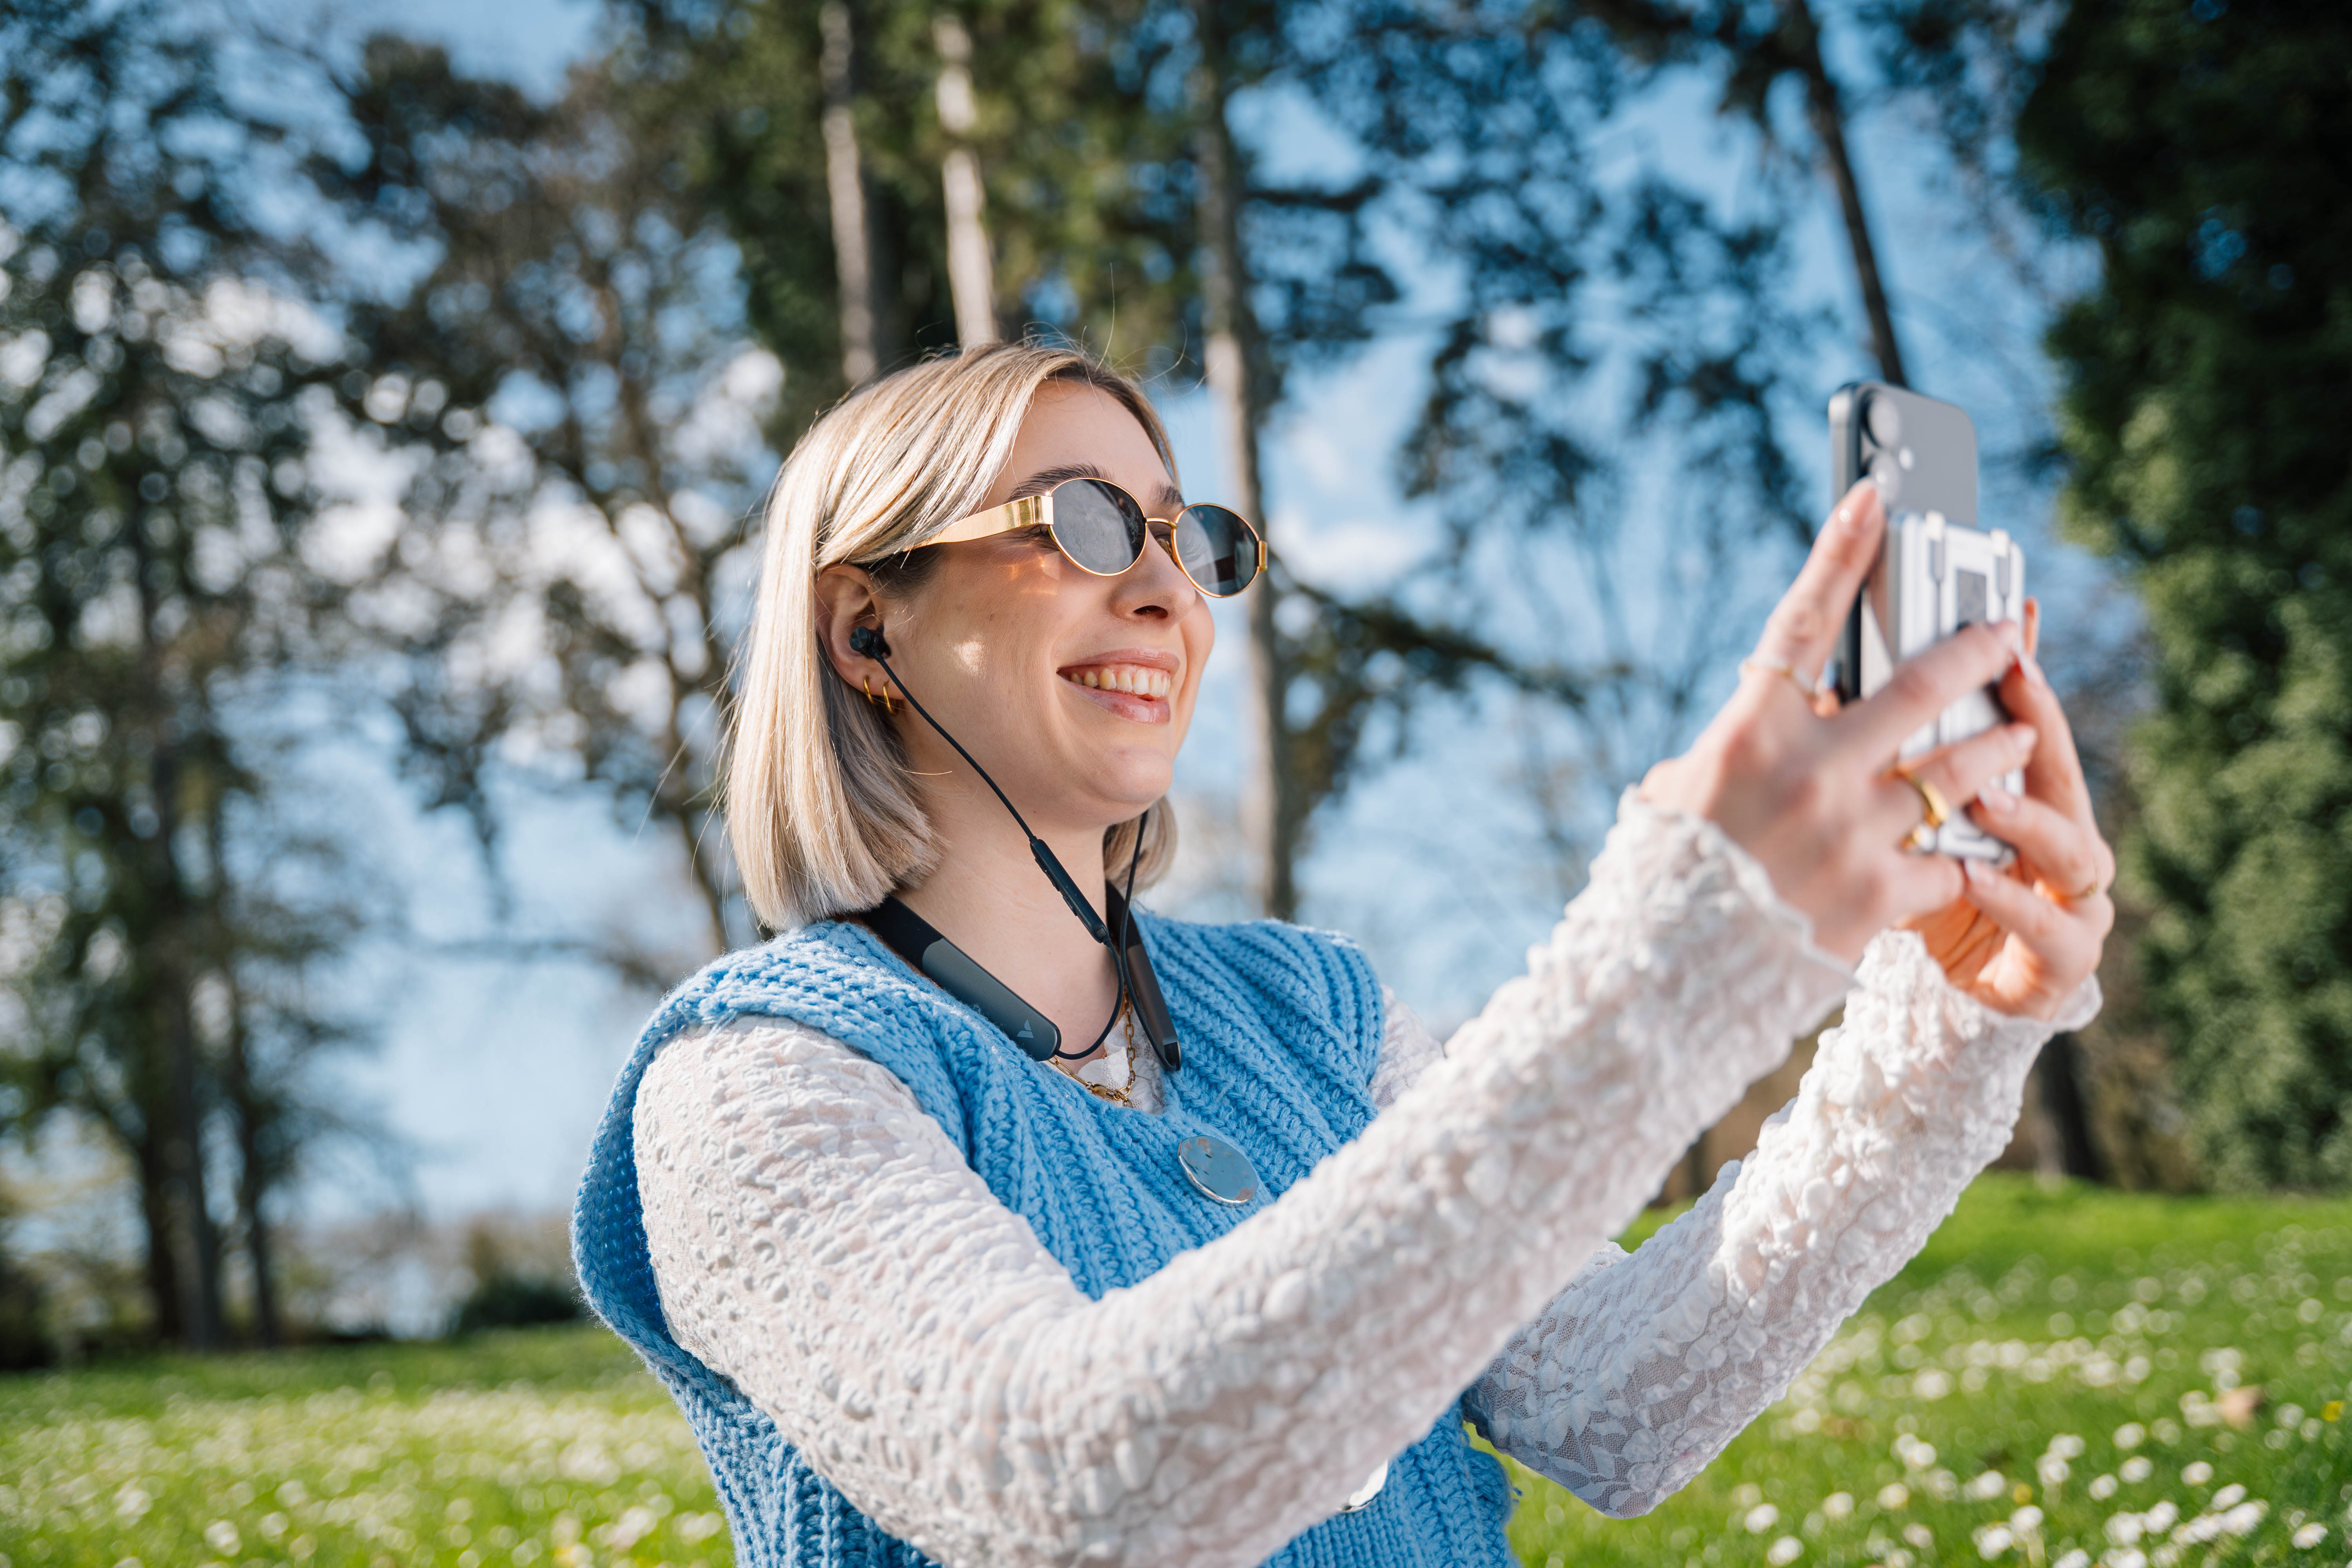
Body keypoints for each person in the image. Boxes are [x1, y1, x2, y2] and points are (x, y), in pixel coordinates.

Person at [573, 341, 2112, 1568]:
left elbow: (1609, 1402)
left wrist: (1943, 1023)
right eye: (1085, 523)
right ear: (865, 630)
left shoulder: (1309, 1004)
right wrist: (1676, 954)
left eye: (1190, 538)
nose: (1169, 587)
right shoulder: (753, 1088)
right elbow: (1079, 1492)